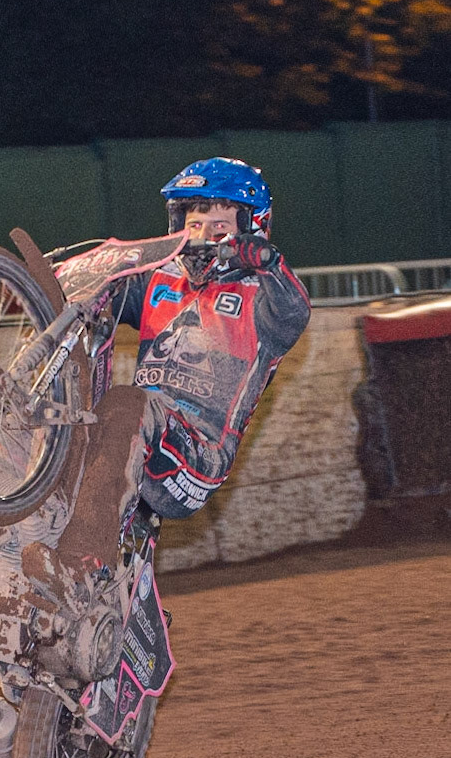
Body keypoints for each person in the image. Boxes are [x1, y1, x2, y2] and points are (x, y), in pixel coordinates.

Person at [20, 156, 312, 615]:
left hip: (198, 457)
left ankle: (79, 565)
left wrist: (266, 260)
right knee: (47, 421)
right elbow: (105, 290)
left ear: (251, 227)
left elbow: (297, 309)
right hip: (135, 438)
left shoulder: (264, 300)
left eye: (218, 225)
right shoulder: (161, 280)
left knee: (129, 401)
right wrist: (45, 283)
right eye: (193, 223)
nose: (201, 235)